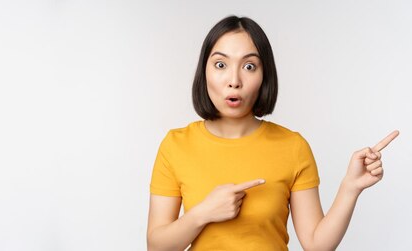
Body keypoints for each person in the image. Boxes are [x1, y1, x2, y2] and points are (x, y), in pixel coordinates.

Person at [146, 15, 399, 251]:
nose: (234, 80)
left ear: (264, 75)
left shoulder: (292, 146)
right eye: (221, 64)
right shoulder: (176, 145)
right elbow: (156, 246)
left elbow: (316, 244)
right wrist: (203, 213)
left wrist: (350, 187)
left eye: (249, 66)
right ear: (204, 71)